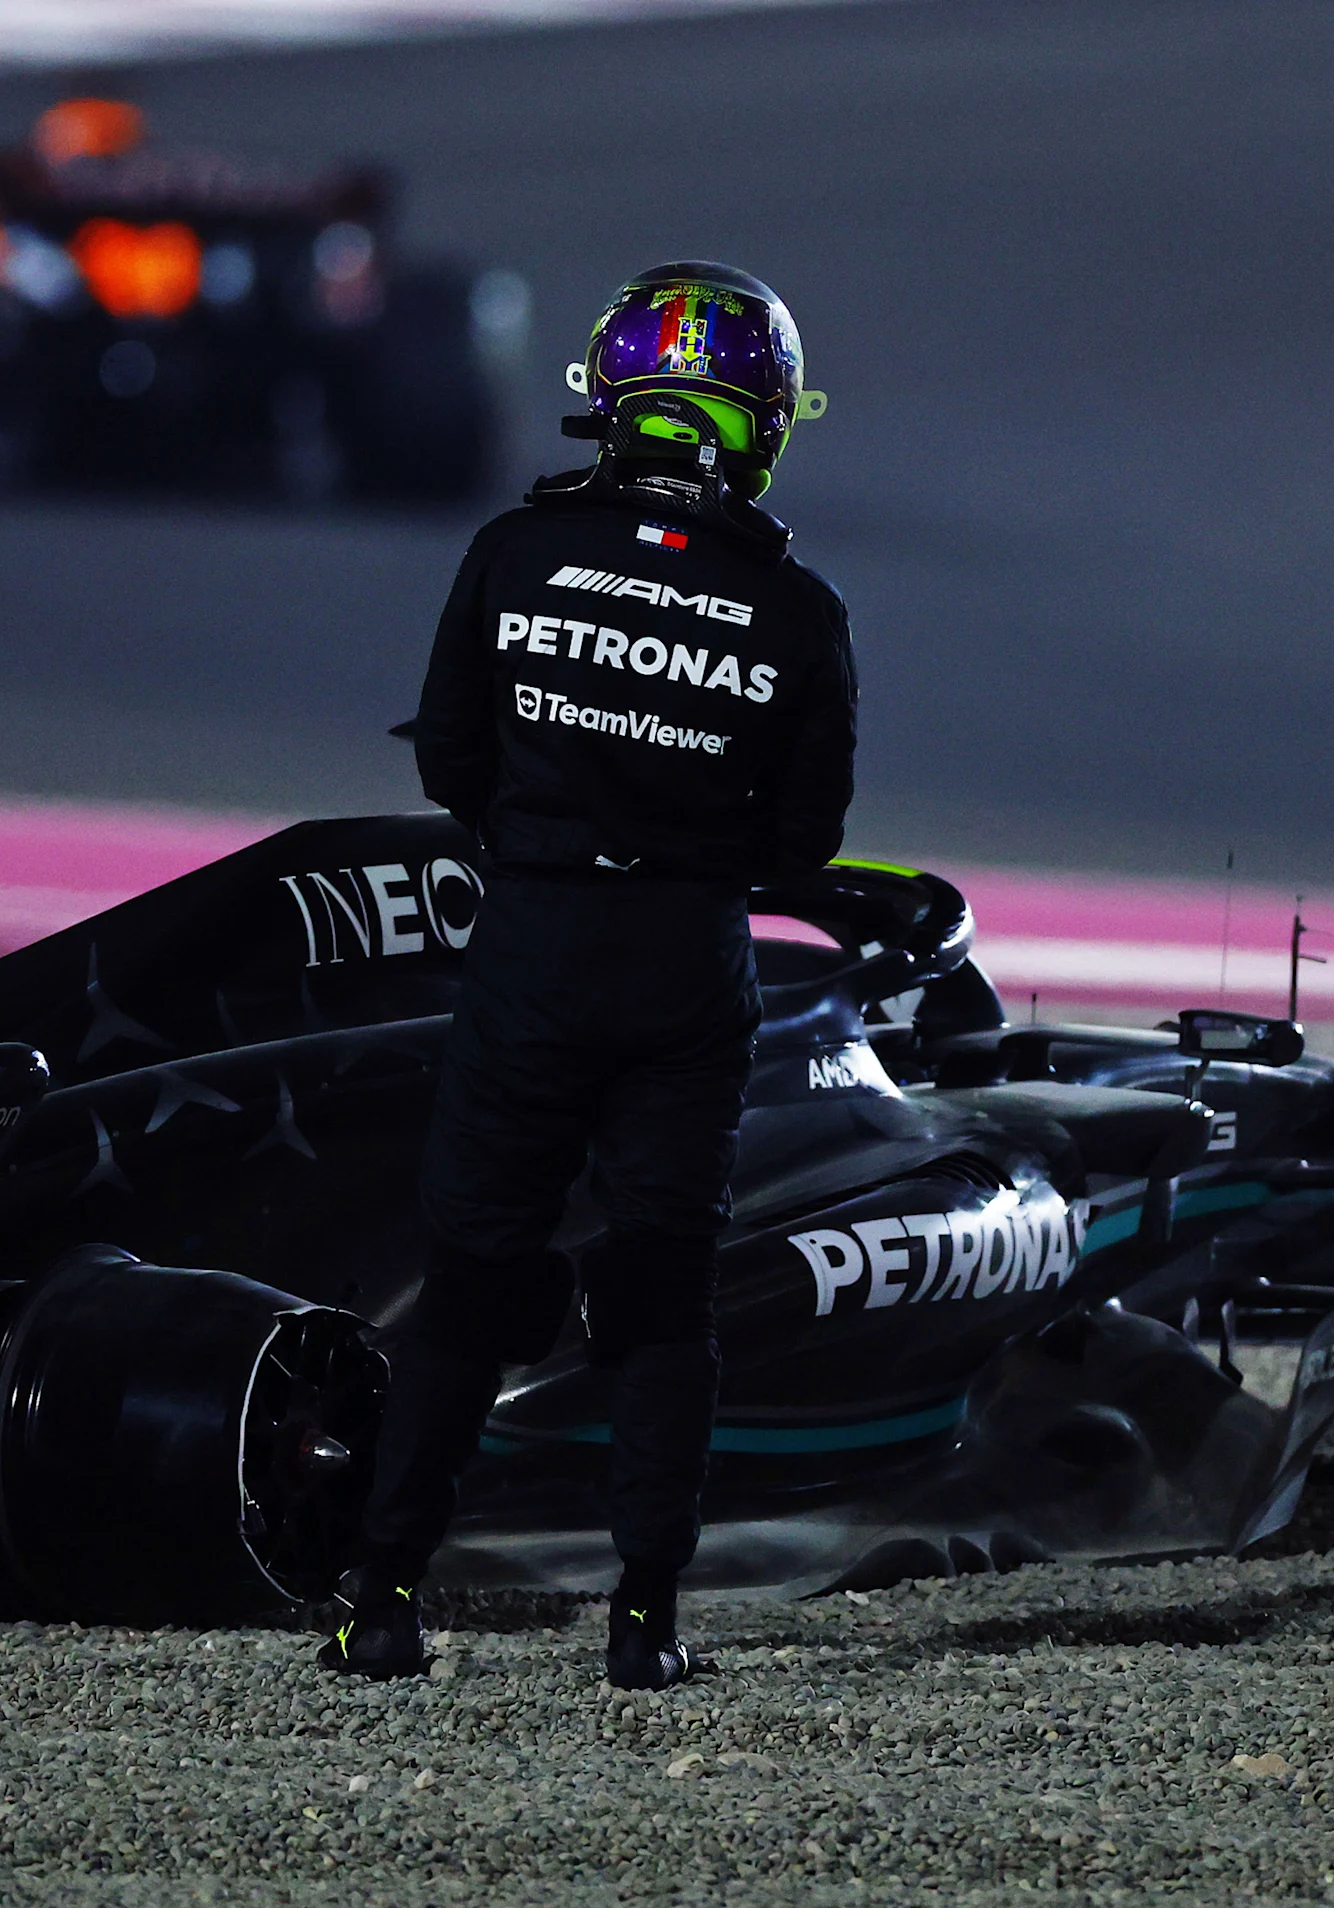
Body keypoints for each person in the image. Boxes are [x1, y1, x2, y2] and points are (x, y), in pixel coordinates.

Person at [320, 262, 857, 1691]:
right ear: (760, 424)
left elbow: (449, 762)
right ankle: (645, 1622)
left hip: (535, 952)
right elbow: (805, 844)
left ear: (610, 403)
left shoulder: (512, 552)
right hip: (687, 967)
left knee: (470, 1285)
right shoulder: (800, 613)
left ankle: (379, 1603)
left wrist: (554, 837)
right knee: (663, 1297)